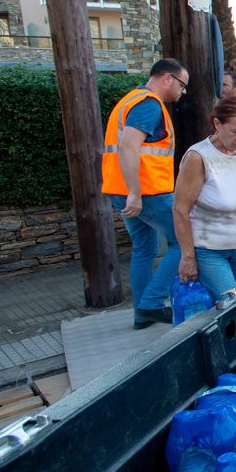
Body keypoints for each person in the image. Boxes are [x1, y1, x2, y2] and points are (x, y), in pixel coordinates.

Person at [101, 58, 187, 329]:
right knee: (183, 241)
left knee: (144, 249)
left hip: (121, 190)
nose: (182, 92)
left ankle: (141, 313)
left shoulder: (129, 99)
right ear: (168, 78)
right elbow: (128, 147)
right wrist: (135, 194)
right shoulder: (149, 105)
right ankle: (151, 303)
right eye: (182, 85)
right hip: (148, 193)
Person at [172, 97, 236, 298]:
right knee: (231, 304)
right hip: (210, 249)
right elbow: (181, 209)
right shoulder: (198, 157)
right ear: (217, 124)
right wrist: (188, 257)